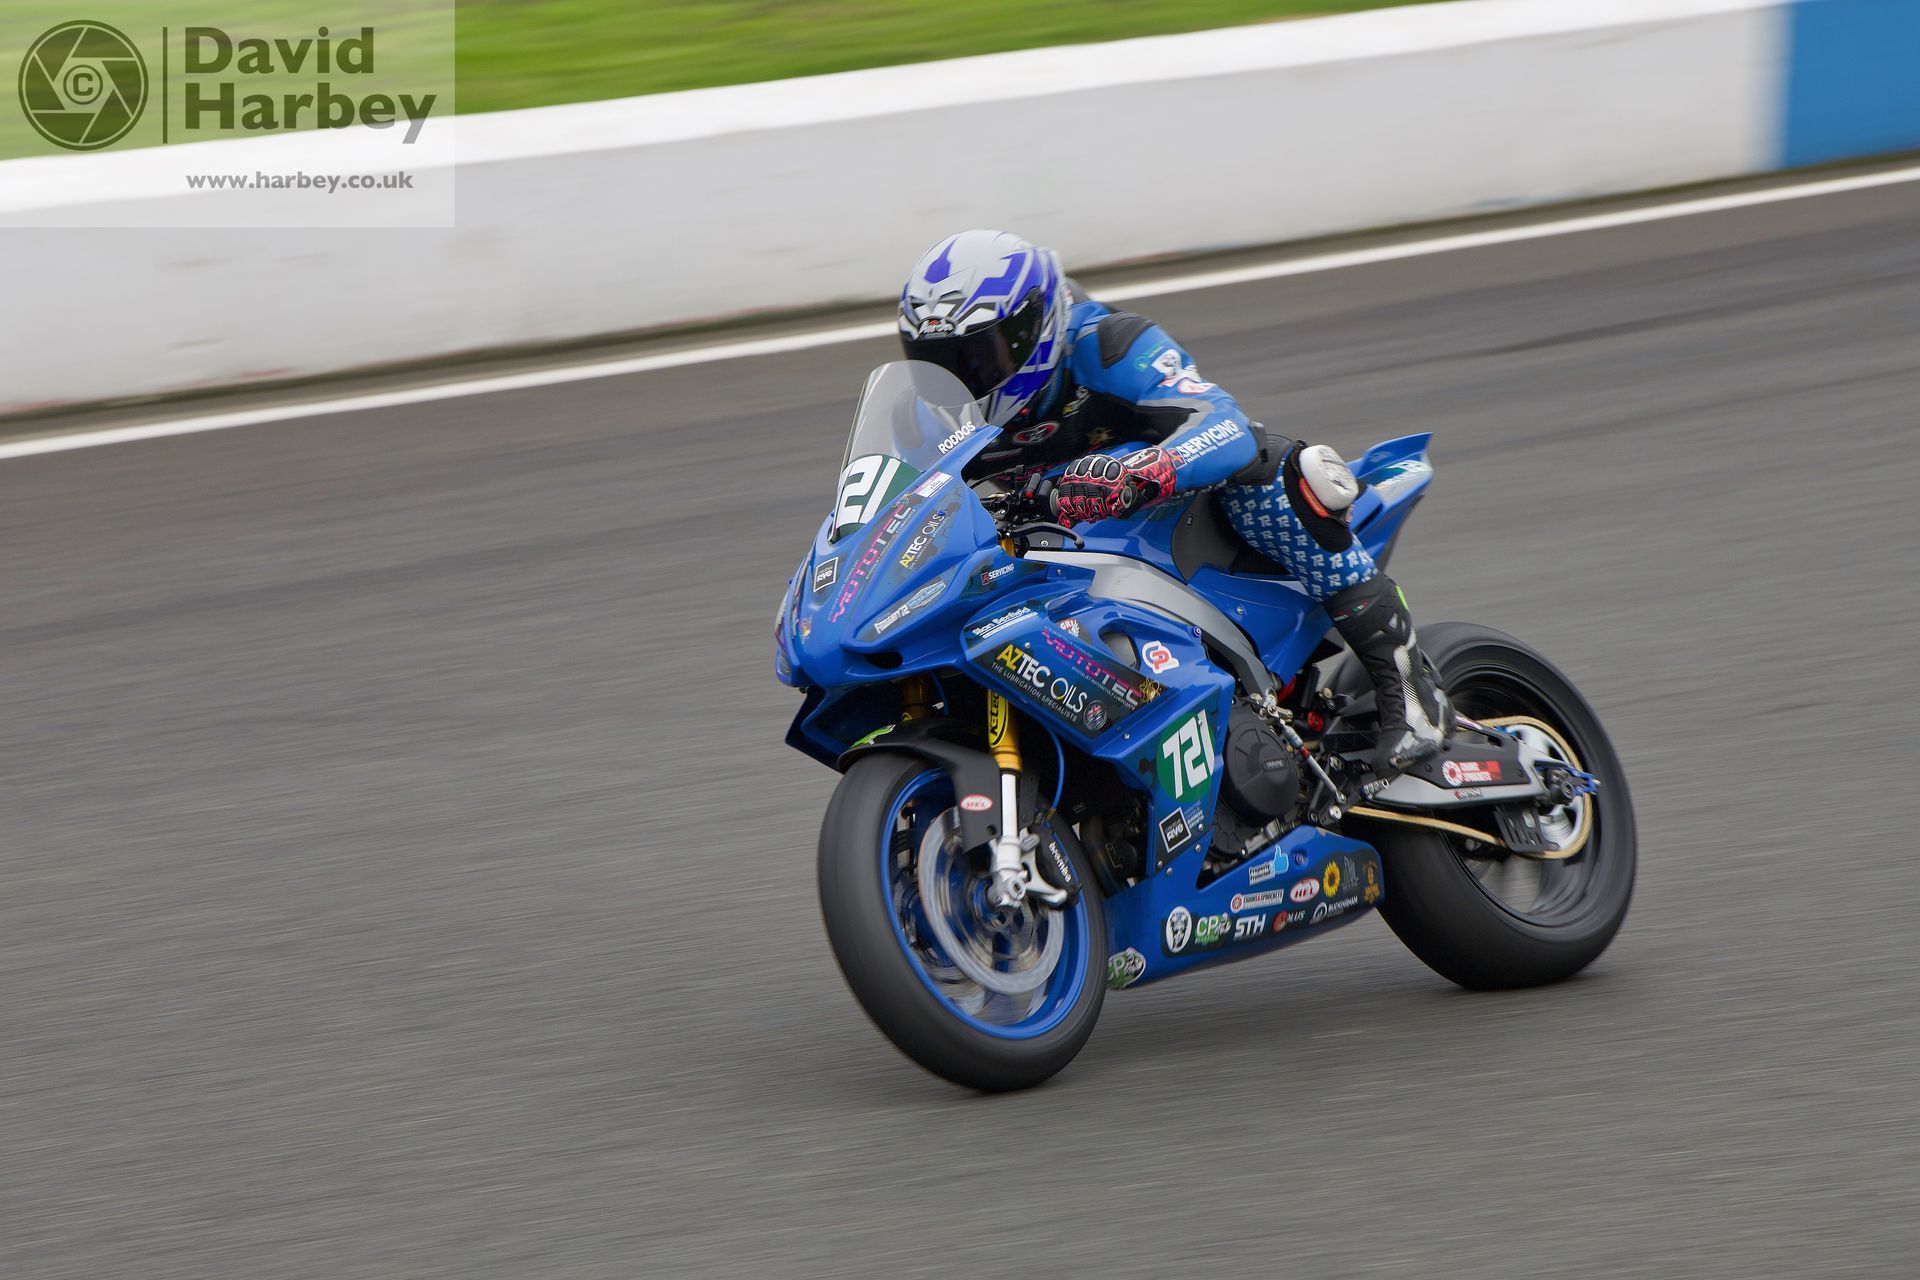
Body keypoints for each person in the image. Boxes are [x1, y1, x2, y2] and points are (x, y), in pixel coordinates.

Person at [897, 228, 1449, 779]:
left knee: (1270, 474)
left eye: (975, 356)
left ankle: (1410, 686)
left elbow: (1224, 427)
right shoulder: (931, 415)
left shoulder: (1108, 343)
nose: (962, 379)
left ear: (1033, 325)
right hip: (1064, 534)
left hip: (1173, 500)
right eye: (939, 362)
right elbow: (905, 504)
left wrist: (1141, 471)